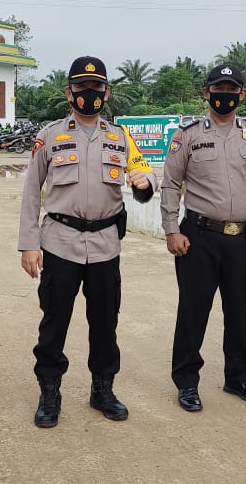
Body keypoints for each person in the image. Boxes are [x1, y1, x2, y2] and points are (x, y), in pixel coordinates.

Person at [18, 56, 157, 428]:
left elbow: (141, 170)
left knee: (105, 322)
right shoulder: (49, 136)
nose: (89, 94)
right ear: (69, 93)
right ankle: (50, 391)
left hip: (105, 245)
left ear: (107, 92)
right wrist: (28, 244)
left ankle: (102, 389)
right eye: (81, 88)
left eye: (96, 88)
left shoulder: (119, 136)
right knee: (54, 322)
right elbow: (32, 192)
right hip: (59, 242)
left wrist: (145, 183)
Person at [161, 63, 246, 411]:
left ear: (242, 94)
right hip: (199, 237)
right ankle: (187, 382)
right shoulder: (188, 134)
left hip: (245, 238)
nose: (225, 96)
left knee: (240, 311)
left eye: (231, 89)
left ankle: (238, 378)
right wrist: (171, 229)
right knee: (193, 312)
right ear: (206, 93)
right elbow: (171, 183)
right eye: (217, 89)